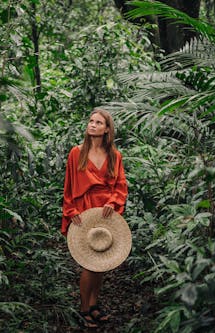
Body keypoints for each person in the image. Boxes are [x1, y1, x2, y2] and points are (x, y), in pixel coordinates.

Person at [62, 108, 128, 328]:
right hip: (84, 210)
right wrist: (71, 210)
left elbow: (120, 185)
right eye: (91, 121)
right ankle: (83, 308)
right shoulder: (76, 152)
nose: (92, 125)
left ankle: (93, 304)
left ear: (107, 129)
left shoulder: (114, 155)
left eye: (99, 122)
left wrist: (113, 202)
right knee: (89, 265)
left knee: (101, 262)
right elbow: (69, 185)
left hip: (106, 212)